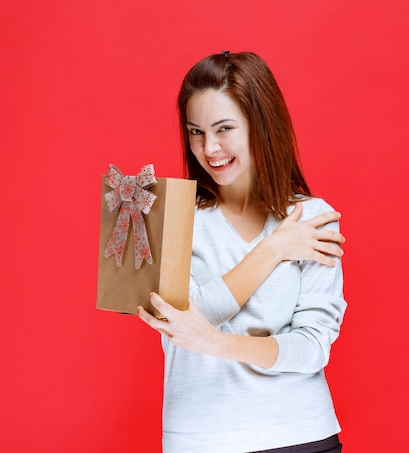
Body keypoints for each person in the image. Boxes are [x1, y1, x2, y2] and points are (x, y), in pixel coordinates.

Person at [137, 51, 347, 453]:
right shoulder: (171, 216)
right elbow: (179, 321)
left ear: (261, 126)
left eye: (224, 128)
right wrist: (272, 249)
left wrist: (215, 343)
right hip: (199, 439)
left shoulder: (311, 218)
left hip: (298, 435)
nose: (209, 147)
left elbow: (312, 347)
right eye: (195, 131)